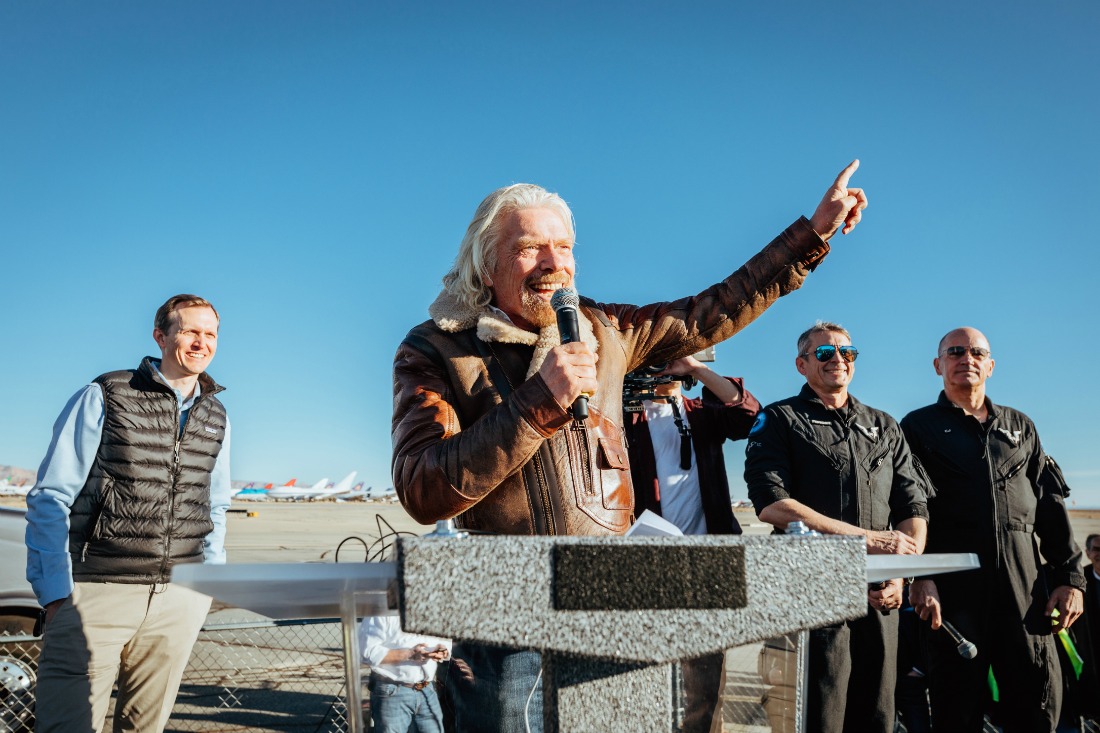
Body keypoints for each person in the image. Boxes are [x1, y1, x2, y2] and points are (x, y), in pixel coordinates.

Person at [391, 163, 867, 733]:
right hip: (504, 614)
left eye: (564, 247)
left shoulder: (606, 330)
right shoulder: (437, 348)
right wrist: (540, 401)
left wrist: (812, 234)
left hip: (611, 600)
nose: (553, 263)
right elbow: (423, 489)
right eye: (530, 248)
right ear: (485, 264)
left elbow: (712, 309)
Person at [25, 294, 231, 733]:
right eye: (190, 332)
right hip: (96, 592)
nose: (202, 343)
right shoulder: (107, 394)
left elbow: (215, 505)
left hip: (178, 598)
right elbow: (50, 496)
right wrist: (55, 592)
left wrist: (206, 587)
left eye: (210, 334)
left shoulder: (216, 413)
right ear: (161, 336)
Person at [744, 321, 929, 733]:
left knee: (878, 715)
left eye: (847, 352)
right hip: (811, 594)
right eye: (825, 353)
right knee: (819, 716)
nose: (838, 360)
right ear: (802, 365)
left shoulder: (884, 425)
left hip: (880, 599)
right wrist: (869, 541)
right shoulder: (779, 419)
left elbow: (912, 504)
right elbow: (772, 503)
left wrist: (901, 573)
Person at [901, 327, 1085, 733]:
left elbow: (1051, 507)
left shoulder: (1021, 427)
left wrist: (1070, 579)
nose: (966, 358)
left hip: (1025, 591)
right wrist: (920, 575)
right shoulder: (916, 427)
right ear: (938, 365)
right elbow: (905, 506)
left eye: (977, 352)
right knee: (955, 708)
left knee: (1037, 703)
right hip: (953, 590)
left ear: (991, 365)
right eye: (955, 352)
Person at [623, 355, 758, 732]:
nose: (663, 366)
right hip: (646, 567)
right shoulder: (624, 415)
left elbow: (748, 415)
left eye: (670, 358)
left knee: (706, 685)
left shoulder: (701, 412)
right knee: (643, 678)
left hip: (706, 564)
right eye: (655, 358)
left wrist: (696, 367)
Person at [359, 615, 452, 733]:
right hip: (392, 691)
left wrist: (443, 650)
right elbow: (366, 652)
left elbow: (445, 641)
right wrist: (410, 654)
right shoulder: (381, 612)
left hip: (427, 689)